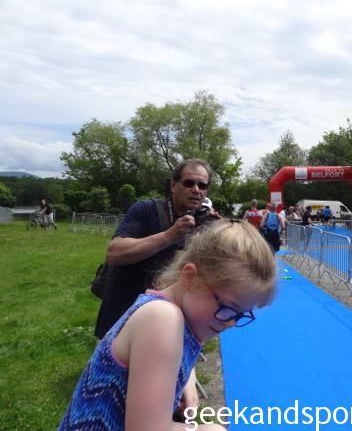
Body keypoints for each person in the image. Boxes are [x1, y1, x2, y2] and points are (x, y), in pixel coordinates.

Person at [59, 220, 276, 431]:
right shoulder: (161, 318)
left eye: (240, 315)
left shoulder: (181, 318)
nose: (229, 322)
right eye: (228, 308)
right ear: (190, 277)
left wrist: (187, 378)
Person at [94, 159, 217, 341]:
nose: (196, 190)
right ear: (173, 186)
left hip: (166, 321)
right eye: (189, 183)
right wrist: (169, 236)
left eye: (202, 185)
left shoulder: (202, 221)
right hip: (123, 315)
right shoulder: (146, 209)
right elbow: (114, 253)